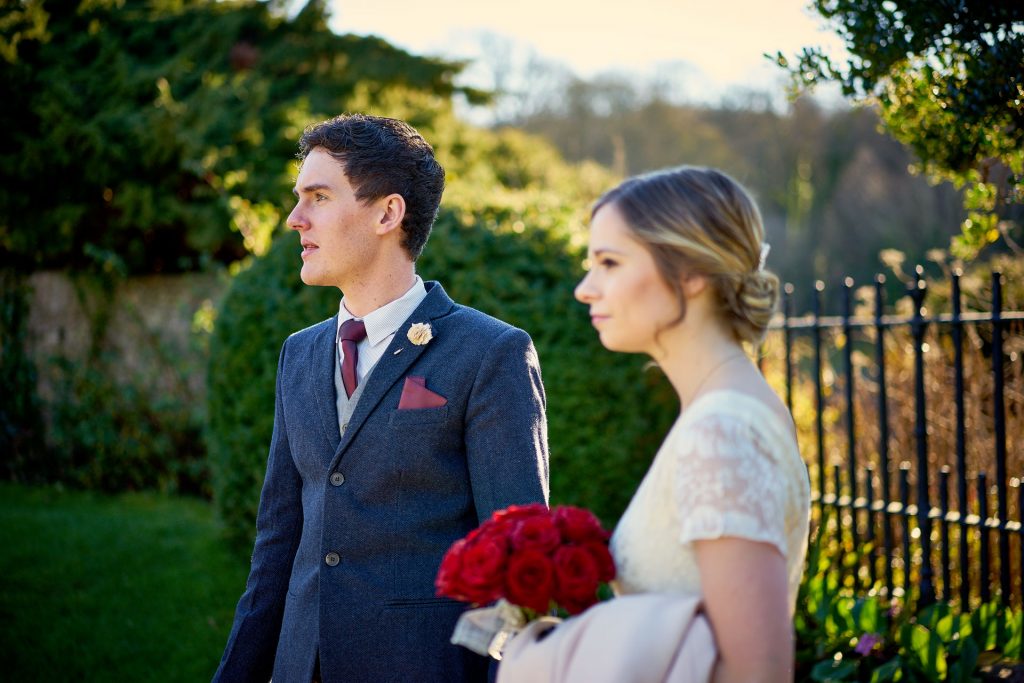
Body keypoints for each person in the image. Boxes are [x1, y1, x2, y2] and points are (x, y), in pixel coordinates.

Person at [213, 114, 549, 683]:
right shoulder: (300, 354)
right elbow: (277, 544)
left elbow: (517, 563)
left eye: (318, 197)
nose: (295, 219)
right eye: (299, 199)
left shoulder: (490, 353)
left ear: (387, 214)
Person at [572, 166, 811, 682]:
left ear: (691, 272)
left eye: (609, 263)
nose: (585, 289)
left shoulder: (722, 430)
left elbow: (756, 673)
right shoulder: (723, 408)